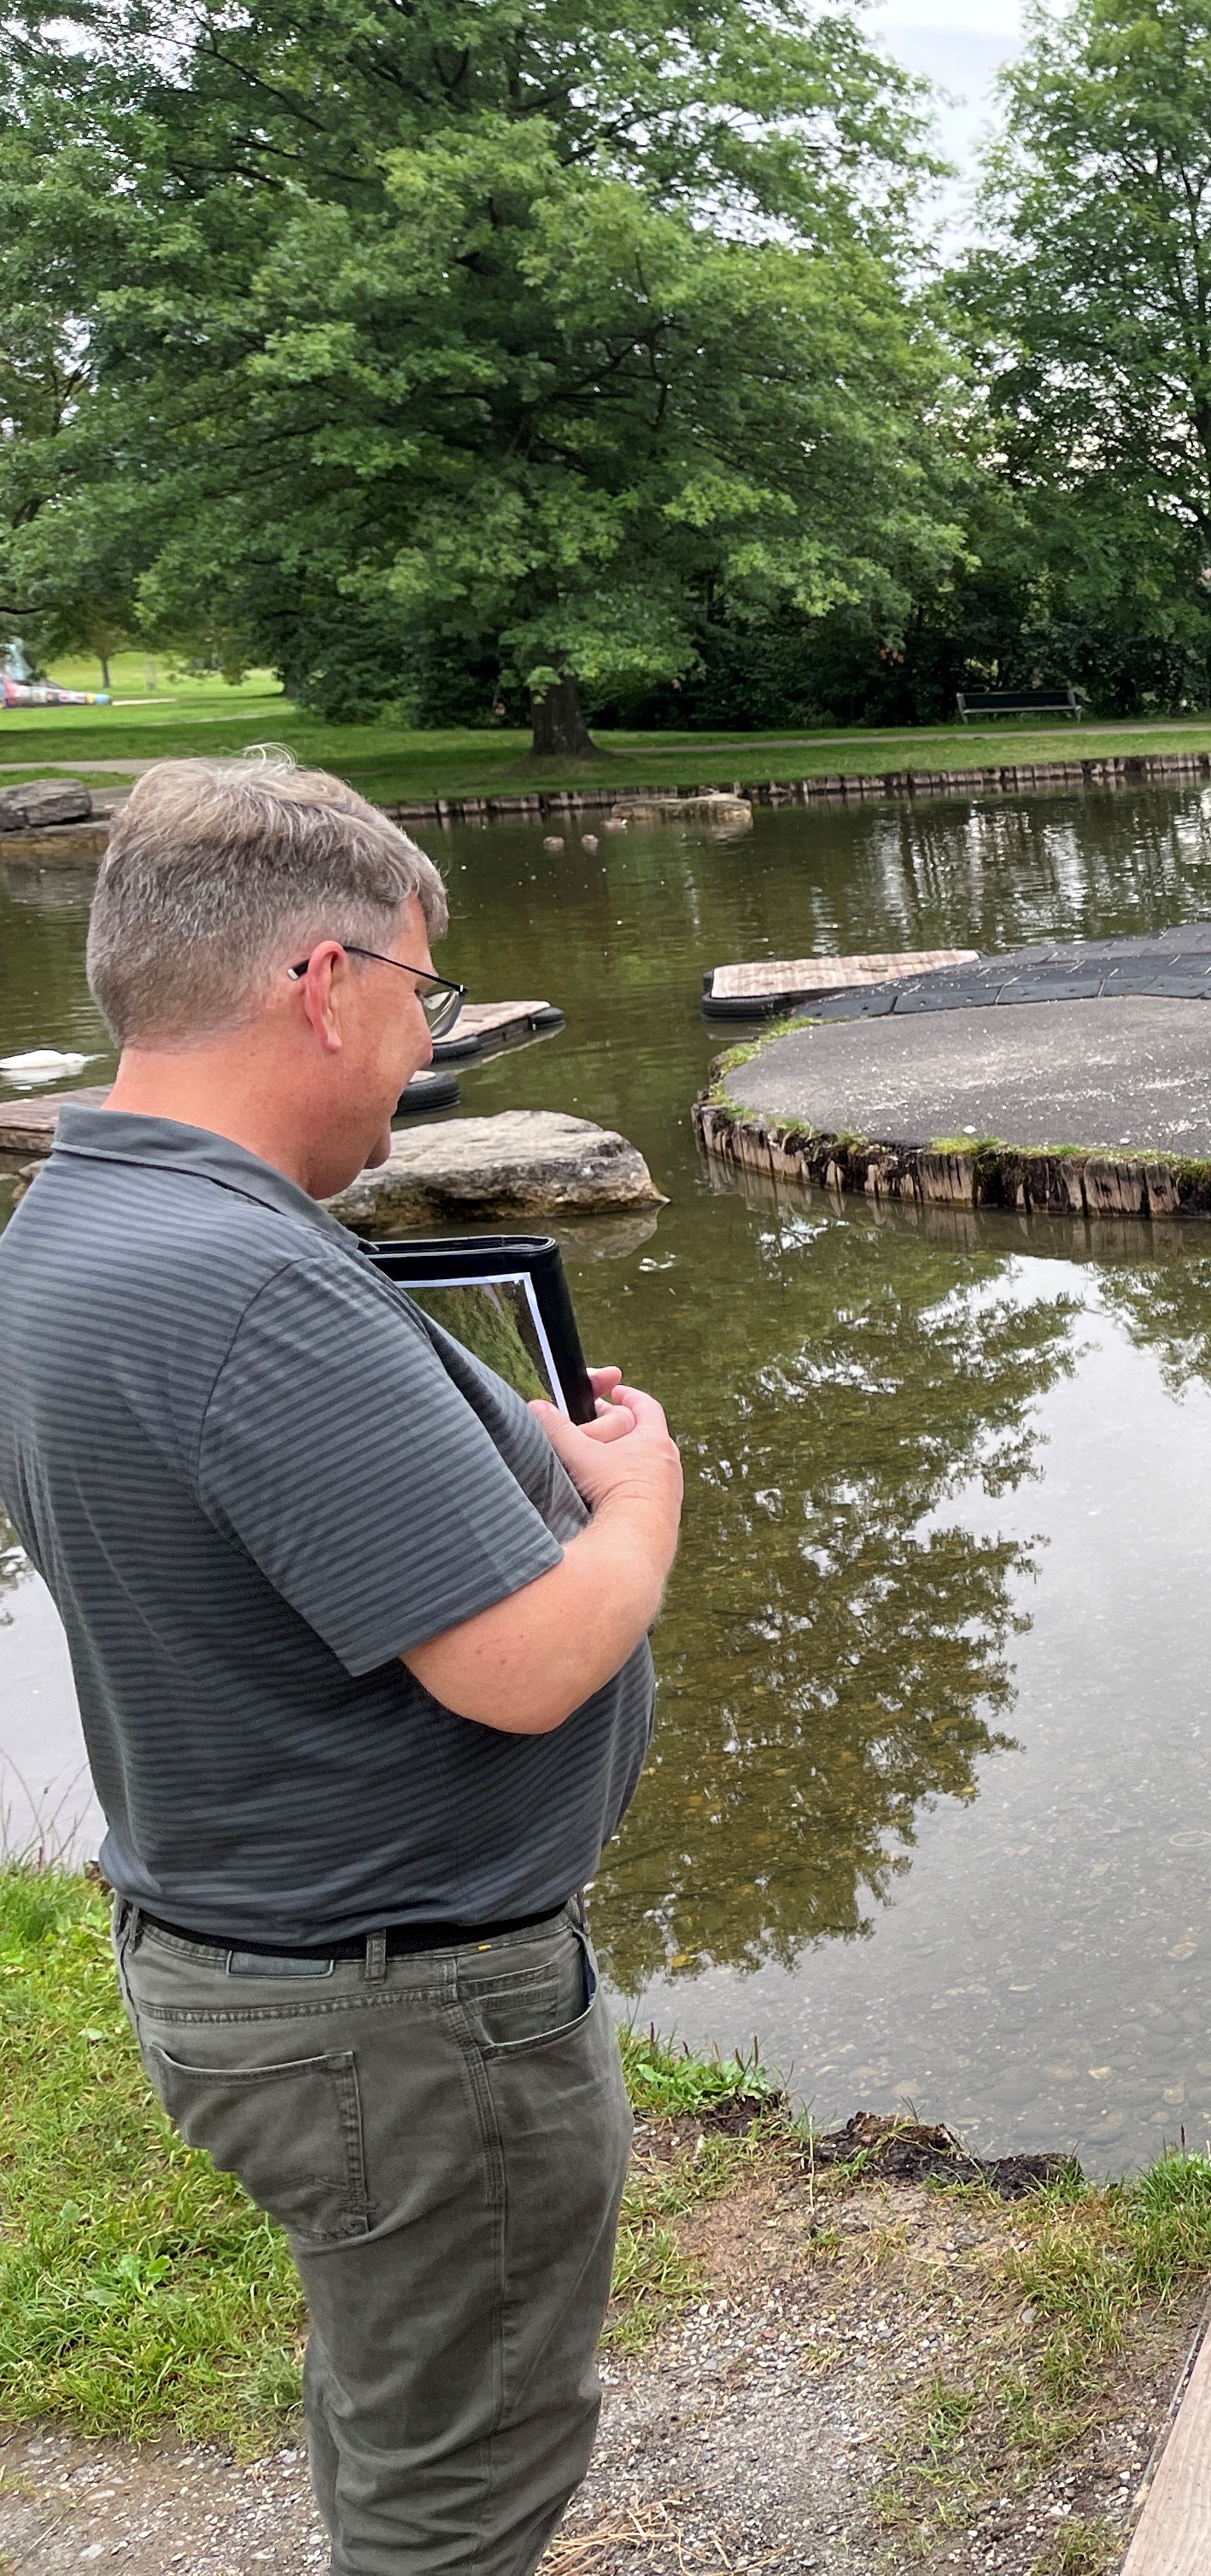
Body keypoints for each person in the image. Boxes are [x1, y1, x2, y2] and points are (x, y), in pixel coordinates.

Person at [0, 755, 685, 2574]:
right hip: (399, 2016)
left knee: (407, 2403)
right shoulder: (245, 1285)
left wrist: (487, 1471)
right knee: (460, 2483)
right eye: (419, 994)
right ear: (322, 981)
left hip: (275, 1963)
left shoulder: (76, 1224)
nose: (420, 1041)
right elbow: (525, 1667)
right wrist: (637, 1507)